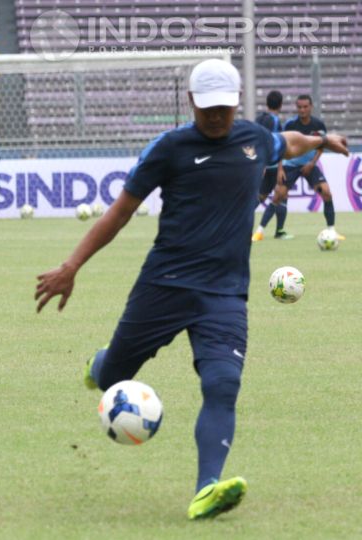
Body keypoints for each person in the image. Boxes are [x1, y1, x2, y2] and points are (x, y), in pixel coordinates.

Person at [33, 59, 348, 520]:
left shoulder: (255, 139)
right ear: (190, 103)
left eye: (223, 107)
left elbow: (290, 142)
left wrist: (323, 141)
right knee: (109, 377)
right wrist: (71, 266)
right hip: (165, 285)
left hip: (224, 294)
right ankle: (103, 362)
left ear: (237, 102)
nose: (216, 116)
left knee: (223, 384)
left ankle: (207, 488)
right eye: (207, 109)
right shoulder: (170, 148)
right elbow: (119, 211)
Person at [271, 95, 344, 240]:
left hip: (309, 166)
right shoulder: (290, 125)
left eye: (305, 107)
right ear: (296, 108)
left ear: (311, 107)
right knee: (279, 195)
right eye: (299, 107)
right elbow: (280, 147)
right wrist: (280, 169)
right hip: (290, 165)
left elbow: (322, 145)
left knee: (327, 193)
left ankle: (331, 230)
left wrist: (312, 163)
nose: (302, 110)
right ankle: (278, 231)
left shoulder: (318, 124)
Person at [251, 90, 288, 241]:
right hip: (270, 166)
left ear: (267, 103)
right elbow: (274, 144)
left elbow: (255, 141)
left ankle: (279, 231)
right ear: (280, 105)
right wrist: (279, 168)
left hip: (259, 163)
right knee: (273, 195)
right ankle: (260, 231)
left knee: (281, 194)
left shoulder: (258, 119)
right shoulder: (274, 121)